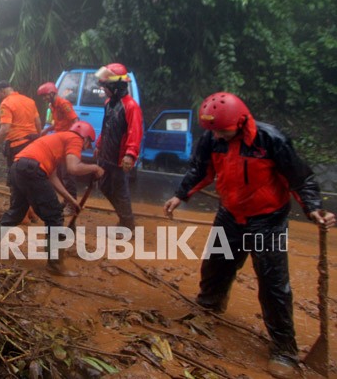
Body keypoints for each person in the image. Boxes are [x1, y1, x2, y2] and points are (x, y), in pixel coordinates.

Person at [163, 92, 335, 378]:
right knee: (215, 265)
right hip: (230, 214)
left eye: (221, 129)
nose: (217, 135)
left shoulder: (271, 140)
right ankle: (210, 306)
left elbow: (300, 178)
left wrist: (314, 209)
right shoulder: (212, 138)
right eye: (212, 130)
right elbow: (200, 170)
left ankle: (284, 349)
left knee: (272, 282)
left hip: (267, 220)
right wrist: (180, 195)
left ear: (241, 122)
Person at [0, 121, 103, 275]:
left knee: (16, 212)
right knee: (54, 216)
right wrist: (95, 167)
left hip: (18, 168)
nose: (84, 148)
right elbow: (74, 167)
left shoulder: (55, 141)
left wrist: (71, 201)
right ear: (85, 138)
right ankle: (55, 266)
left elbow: (52, 178)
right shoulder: (75, 139)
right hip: (32, 170)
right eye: (87, 144)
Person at [94, 63, 143, 230]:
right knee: (104, 186)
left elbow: (135, 132)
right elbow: (106, 126)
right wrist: (99, 145)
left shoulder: (130, 106)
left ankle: (127, 225)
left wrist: (130, 154)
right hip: (107, 155)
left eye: (106, 86)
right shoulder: (109, 103)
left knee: (120, 192)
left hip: (120, 158)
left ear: (116, 86)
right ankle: (124, 217)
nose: (104, 89)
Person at [0, 81, 42, 176]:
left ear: (2, 91)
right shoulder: (29, 101)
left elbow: (5, 130)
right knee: (31, 176)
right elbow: (38, 123)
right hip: (33, 144)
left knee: (16, 179)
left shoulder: (6, 104)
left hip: (17, 146)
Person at [37, 81, 80, 200]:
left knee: (67, 173)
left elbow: (75, 121)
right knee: (61, 173)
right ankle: (67, 200)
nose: (44, 98)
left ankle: (72, 203)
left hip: (66, 141)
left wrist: (72, 137)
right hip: (59, 141)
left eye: (45, 95)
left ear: (52, 93)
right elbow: (59, 123)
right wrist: (47, 130)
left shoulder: (63, 103)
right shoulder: (53, 106)